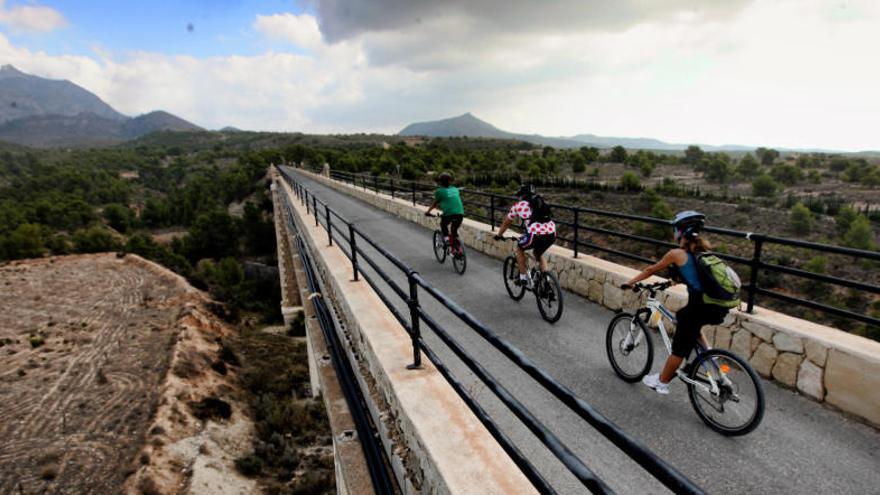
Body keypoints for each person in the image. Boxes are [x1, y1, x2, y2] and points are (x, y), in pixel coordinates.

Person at [622, 211, 728, 395]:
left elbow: (651, 269)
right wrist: (670, 282)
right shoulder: (703, 253)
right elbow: (692, 276)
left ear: (680, 232)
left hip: (700, 306)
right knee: (691, 327)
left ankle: (662, 382)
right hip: (719, 306)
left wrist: (630, 283)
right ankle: (711, 360)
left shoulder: (676, 254)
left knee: (680, 341)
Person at [493, 184, 556, 287]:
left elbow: (506, 222)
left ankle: (522, 278)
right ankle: (547, 281)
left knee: (520, 248)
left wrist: (499, 235)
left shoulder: (518, 206)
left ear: (522, 196)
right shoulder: (540, 202)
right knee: (538, 254)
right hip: (551, 234)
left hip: (535, 234)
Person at [425, 172, 465, 253]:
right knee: (454, 231)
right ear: (450, 181)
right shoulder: (455, 189)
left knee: (443, 224)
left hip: (449, 214)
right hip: (460, 213)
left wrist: (428, 212)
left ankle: (446, 240)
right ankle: (458, 250)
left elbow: (435, 204)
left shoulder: (439, 191)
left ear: (440, 182)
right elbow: (452, 200)